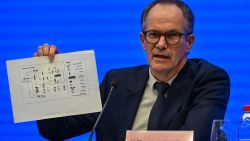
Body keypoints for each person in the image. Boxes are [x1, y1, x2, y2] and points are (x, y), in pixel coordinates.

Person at [35, 0, 230, 141]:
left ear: (189, 42)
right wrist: (50, 79)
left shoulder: (209, 79)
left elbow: (196, 137)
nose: (161, 44)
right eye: (153, 34)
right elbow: (56, 130)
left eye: (172, 35)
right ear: (143, 41)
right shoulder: (116, 83)